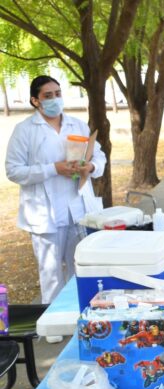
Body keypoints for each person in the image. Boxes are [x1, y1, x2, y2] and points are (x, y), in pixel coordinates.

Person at [5, 75, 106, 307]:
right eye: (48, 95)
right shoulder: (25, 130)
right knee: (51, 274)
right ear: (35, 101)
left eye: (58, 94)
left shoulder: (77, 125)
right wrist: (53, 169)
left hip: (78, 209)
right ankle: (53, 319)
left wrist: (90, 167)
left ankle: (81, 315)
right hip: (45, 213)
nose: (55, 99)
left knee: (80, 269)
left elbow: (98, 155)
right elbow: (13, 170)